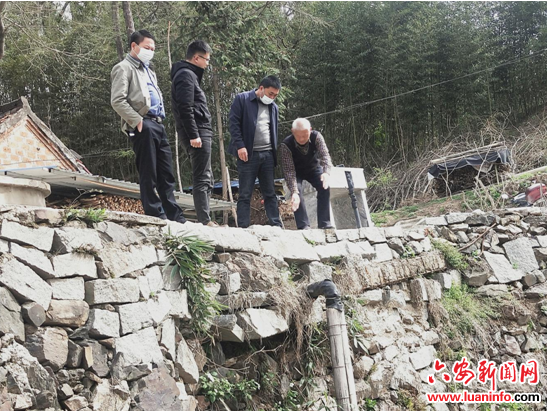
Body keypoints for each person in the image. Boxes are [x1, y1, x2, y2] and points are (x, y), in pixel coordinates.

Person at [111, 29, 186, 223]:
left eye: (153, 49)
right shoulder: (123, 68)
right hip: (143, 123)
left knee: (166, 173)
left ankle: (175, 215)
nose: (150, 51)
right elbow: (117, 100)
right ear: (134, 46)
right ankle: (155, 213)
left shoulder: (149, 70)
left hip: (159, 123)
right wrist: (137, 121)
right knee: (149, 171)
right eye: (147, 47)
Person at [228, 75, 283, 228]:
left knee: (270, 193)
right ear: (261, 88)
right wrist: (240, 146)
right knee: (245, 193)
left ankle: (276, 224)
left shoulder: (273, 107)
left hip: (268, 155)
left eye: (275, 95)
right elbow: (233, 124)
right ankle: (243, 227)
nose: (272, 97)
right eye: (270, 94)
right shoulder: (242, 99)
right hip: (248, 155)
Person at [171, 40, 216, 226]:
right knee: (202, 177)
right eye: (206, 59)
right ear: (196, 58)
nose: (207, 63)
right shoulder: (186, 76)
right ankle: (205, 221)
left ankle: (207, 218)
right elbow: (185, 107)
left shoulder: (190, 76)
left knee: (208, 177)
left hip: (200, 130)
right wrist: (193, 134)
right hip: (197, 132)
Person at [280, 118, 334, 230]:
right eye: (298, 136)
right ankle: (303, 225)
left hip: (313, 168)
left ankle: (324, 223)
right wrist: (294, 191)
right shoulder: (286, 145)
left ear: (310, 130)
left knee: (324, 186)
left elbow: (325, 156)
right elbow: (289, 171)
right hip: (295, 172)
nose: (302, 139)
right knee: (297, 192)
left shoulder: (317, 136)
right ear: (293, 132)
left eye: (305, 135)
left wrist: (326, 173)